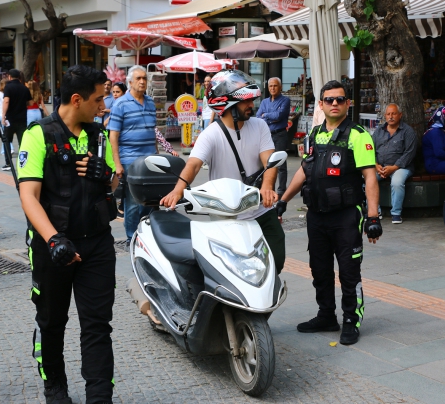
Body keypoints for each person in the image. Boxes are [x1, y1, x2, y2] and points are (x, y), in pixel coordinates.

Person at [18, 65, 118, 404]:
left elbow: (113, 180)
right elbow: (28, 196)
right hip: (54, 246)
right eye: (98, 99)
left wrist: (105, 174)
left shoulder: (98, 132)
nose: (103, 106)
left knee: (97, 325)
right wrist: (54, 239)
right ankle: (55, 388)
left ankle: (100, 396)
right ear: (77, 99)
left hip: (98, 243)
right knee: (52, 322)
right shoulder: (38, 134)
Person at [276, 80, 382, 346]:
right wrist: (283, 200)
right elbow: (304, 171)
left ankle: (351, 320)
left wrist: (372, 217)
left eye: (340, 99)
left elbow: (370, 177)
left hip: (346, 216)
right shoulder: (314, 135)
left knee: (348, 271)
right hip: (317, 216)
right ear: (321, 104)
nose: (335, 103)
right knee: (319, 270)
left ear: (348, 103)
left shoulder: (358, 135)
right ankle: (326, 315)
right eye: (329, 100)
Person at [160, 69, 287, 274]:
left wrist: (267, 187)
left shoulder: (260, 126)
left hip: (261, 210)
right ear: (227, 104)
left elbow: (270, 161)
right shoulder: (211, 134)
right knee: (230, 271)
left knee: (276, 261)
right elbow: (193, 164)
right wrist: (178, 190)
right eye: (246, 101)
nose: (251, 105)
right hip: (227, 215)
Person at [108, 65, 157, 249]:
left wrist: (157, 154)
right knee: (133, 203)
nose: (142, 81)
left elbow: (153, 132)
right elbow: (113, 135)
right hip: (129, 160)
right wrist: (117, 164)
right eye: (138, 79)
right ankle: (131, 238)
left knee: (149, 201)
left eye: (144, 78)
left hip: (149, 160)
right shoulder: (120, 103)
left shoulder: (151, 102)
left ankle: (147, 236)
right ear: (130, 82)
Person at [372, 103, 418, 224]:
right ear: (385, 116)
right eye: (388, 114)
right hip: (380, 166)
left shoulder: (408, 132)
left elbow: (409, 153)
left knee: (397, 182)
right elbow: (370, 149)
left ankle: (396, 214)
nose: (391, 116)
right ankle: (375, 211)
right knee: (370, 179)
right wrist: (376, 165)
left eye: (394, 114)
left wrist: (393, 167)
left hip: (401, 167)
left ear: (400, 115)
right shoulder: (378, 131)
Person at [256, 77, 291, 198]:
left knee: (281, 164)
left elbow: (279, 115)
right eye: (270, 86)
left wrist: (265, 115)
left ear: (280, 87)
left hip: (280, 134)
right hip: (266, 135)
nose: (272, 88)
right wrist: (270, 117)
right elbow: (257, 116)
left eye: (275, 86)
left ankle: (281, 190)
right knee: (266, 163)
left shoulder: (285, 100)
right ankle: (269, 188)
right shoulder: (264, 101)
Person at [0, 68, 32, 170]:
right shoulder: (24, 88)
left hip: (10, 119)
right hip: (22, 119)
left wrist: (3, 115)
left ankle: (8, 163)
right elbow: (30, 102)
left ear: (9, 76)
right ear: (19, 77)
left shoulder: (8, 87)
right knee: (22, 142)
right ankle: (24, 163)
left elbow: (6, 101)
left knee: (7, 141)